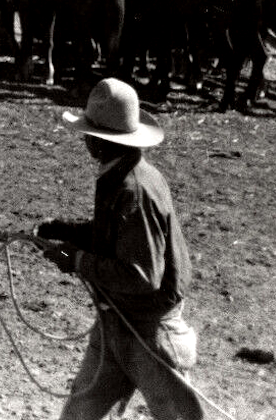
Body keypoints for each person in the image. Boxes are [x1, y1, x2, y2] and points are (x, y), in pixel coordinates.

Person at [34, 78, 204, 420]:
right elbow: (118, 238)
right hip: (117, 319)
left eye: (89, 133)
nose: (84, 139)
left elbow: (140, 276)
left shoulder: (134, 191)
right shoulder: (123, 174)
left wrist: (74, 258)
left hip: (148, 332)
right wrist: (65, 231)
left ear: (101, 141)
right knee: (79, 413)